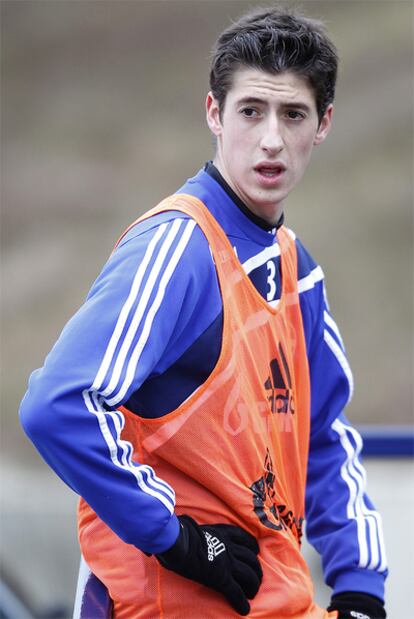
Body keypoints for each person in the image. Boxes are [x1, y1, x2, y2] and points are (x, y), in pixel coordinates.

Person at [20, 5, 388, 619]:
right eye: (251, 111)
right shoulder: (177, 248)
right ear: (214, 114)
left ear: (322, 124)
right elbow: (57, 405)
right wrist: (177, 538)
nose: (271, 138)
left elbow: (324, 440)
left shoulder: (298, 270)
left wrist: (359, 590)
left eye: (293, 114)